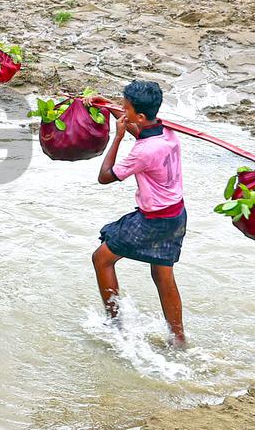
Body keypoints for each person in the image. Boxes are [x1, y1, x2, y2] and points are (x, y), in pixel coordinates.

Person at [84, 81, 187, 347]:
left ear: (140, 116)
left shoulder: (142, 151)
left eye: (125, 107)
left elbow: (104, 177)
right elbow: (134, 125)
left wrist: (117, 137)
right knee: (162, 275)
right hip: (175, 215)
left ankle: (115, 326)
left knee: (102, 258)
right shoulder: (166, 132)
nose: (122, 110)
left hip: (152, 221)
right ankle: (178, 339)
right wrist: (106, 106)